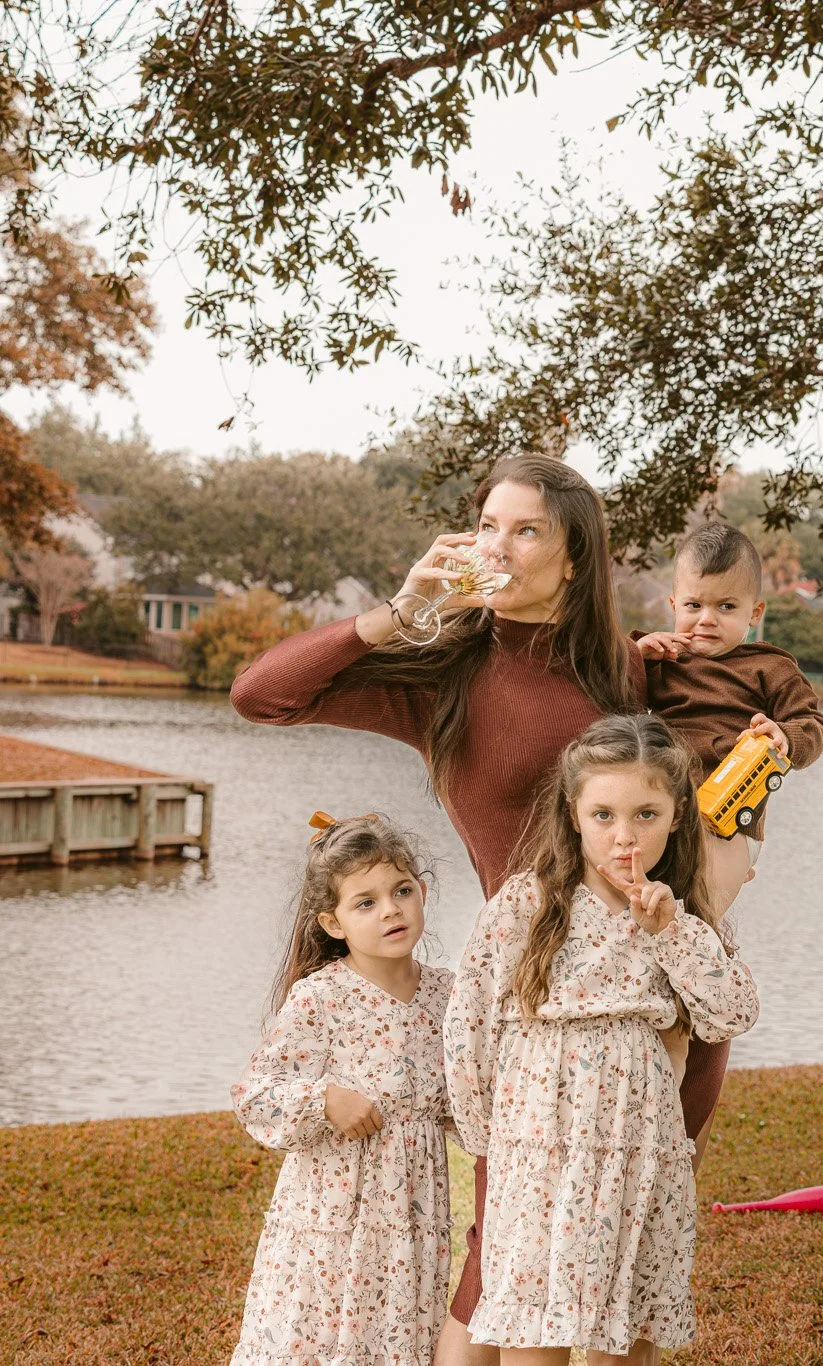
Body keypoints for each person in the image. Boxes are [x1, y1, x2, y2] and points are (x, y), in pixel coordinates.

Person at [231, 456, 729, 1364]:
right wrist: (400, 609)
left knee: (627, 1268)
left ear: (575, 557)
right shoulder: (446, 670)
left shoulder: (623, 670)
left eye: (526, 529)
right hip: (528, 1004)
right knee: (503, 1257)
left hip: (657, 997)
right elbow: (262, 694)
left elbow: (728, 758)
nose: (498, 545)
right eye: (487, 524)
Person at [443, 714, 759, 1364]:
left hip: (635, 1152)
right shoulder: (523, 907)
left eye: (646, 814)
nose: (625, 836)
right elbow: (467, 1025)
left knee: (623, 1336)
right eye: (605, 815)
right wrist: (488, 1141)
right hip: (536, 1157)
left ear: (676, 815)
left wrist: (672, 932)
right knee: (535, 1331)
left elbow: (732, 1012)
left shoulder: (678, 915)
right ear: (573, 812)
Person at [229, 813, 453, 1366]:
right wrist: (325, 1098)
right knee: (322, 1334)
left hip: (413, 1216)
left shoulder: (451, 997)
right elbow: (256, 1093)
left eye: (402, 891)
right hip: (332, 1217)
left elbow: (470, 1101)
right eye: (366, 903)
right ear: (334, 923)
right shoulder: (321, 998)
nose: (391, 910)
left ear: (423, 892)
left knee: (395, 1330)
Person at [635, 520, 823, 914]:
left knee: (698, 920)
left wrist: (786, 737)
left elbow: (813, 724)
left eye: (726, 607)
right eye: (694, 605)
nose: (707, 619)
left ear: (754, 612)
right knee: (640, 917)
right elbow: (609, 703)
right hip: (663, 810)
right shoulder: (661, 657)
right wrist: (634, 655)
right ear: (674, 605)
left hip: (729, 825)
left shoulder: (770, 667)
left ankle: (710, 965)